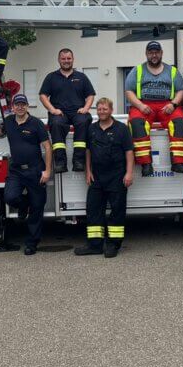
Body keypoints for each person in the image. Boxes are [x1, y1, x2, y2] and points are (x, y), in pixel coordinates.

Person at [0, 93, 52, 256]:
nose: (20, 107)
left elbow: (48, 147)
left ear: (27, 106)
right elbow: (1, 131)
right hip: (16, 170)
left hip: (35, 170)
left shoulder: (36, 123)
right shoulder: (9, 121)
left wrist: (48, 170)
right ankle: (24, 205)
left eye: (23, 104)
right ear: (13, 107)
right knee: (10, 197)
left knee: (37, 208)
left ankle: (31, 243)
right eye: (17, 104)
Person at [74, 97, 135, 258]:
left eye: (105, 109)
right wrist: (88, 171)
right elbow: (88, 151)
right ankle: (95, 246)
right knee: (93, 210)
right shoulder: (92, 129)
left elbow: (129, 152)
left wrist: (129, 173)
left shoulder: (121, 129)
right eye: (99, 109)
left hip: (117, 176)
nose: (102, 111)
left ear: (111, 110)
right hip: (97, 177)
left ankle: (113, 245)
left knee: (117, 211)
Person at [124, 41, 183, 176]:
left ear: (161, 53)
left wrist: (173, 104)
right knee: (136, 122)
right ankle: (146, 164)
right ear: (146, 54)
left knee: (180, 121)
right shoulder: (137, 70)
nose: (154, 55)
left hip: (167, 105)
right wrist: (140, 105)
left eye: (157, 52)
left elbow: (180, 91)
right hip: (144, 105)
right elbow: (129, 91)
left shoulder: (172, 71)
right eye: (151, 52)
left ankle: (178, 162)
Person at [38, 49, 96, 173]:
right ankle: (60, 163)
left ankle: (79, 161)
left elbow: (90, 95)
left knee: (83, 121)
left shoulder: (81, 77)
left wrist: (86, 108)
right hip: (60, 113)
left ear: (73, 59)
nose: (66, 61)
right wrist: (52, 110)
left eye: (68, 58)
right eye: (63, 59)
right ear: (59, 60)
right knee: (56, 124)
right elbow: (43, 95)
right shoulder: (51, 77)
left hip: (78, 112)